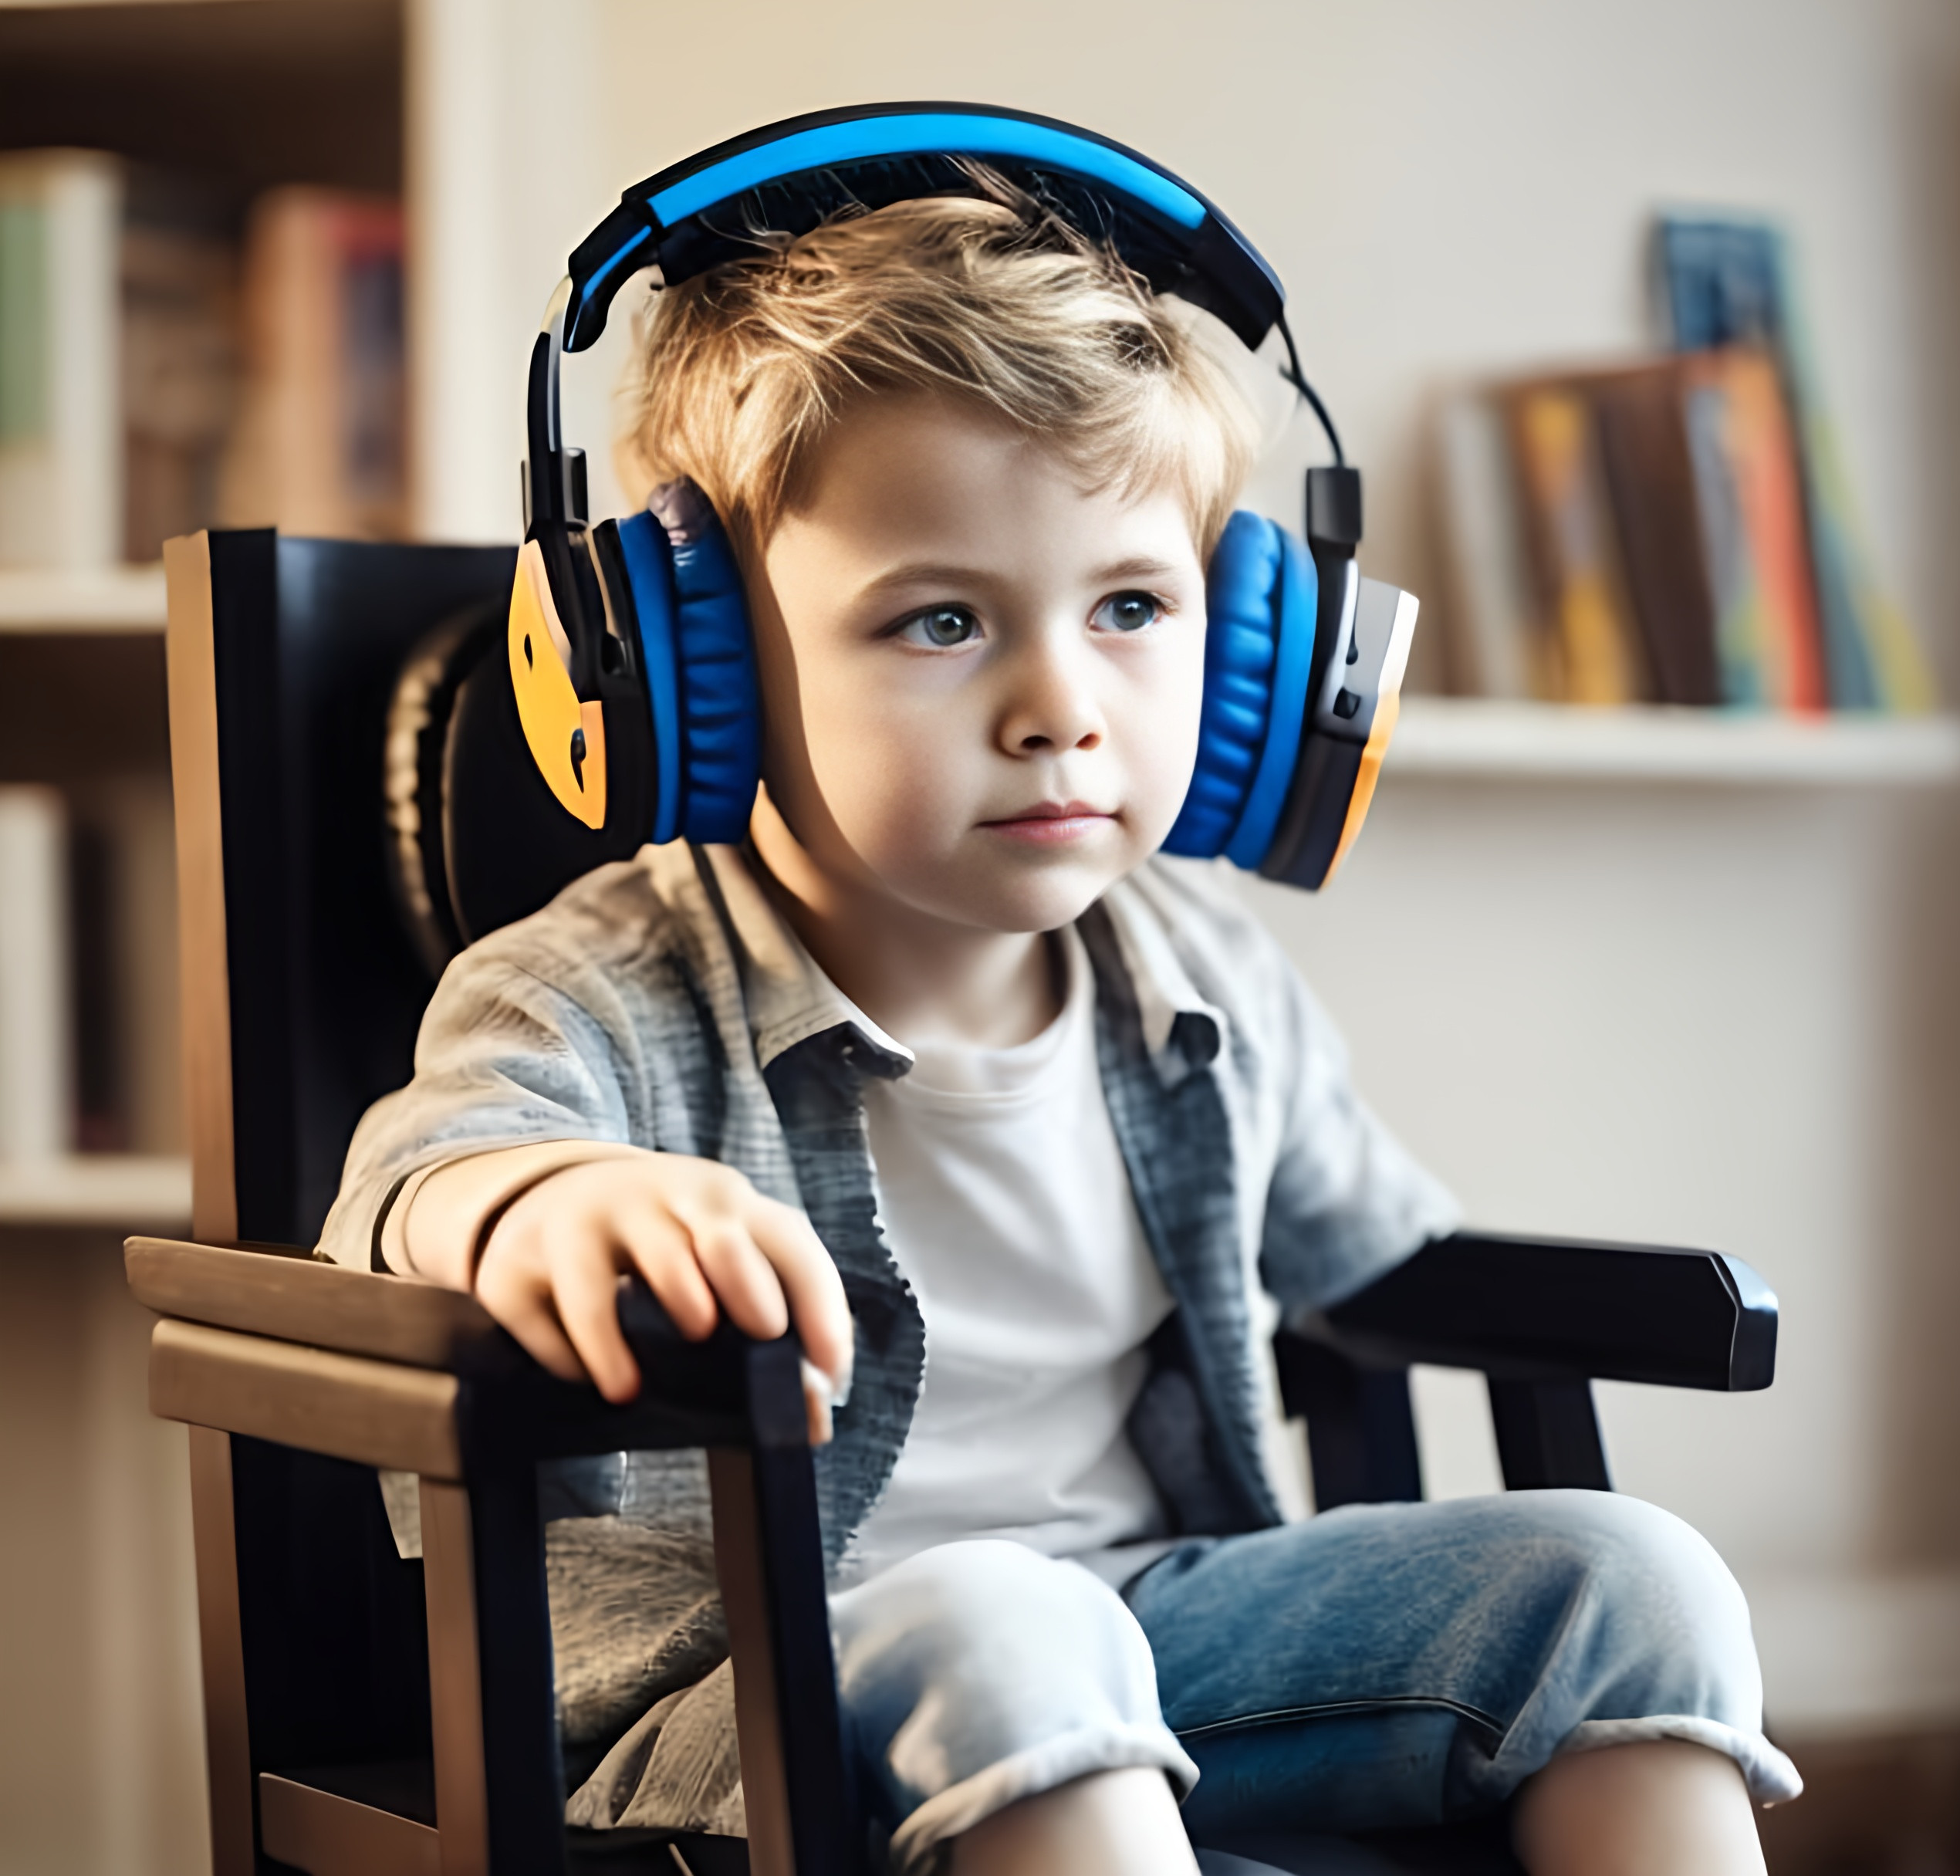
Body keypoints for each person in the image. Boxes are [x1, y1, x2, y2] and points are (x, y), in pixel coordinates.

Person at [320, 188, 1799, 1875]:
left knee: (1629, 1581)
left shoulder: (1198, 970)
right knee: (1006, 1626)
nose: (1059, 706)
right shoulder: (604, 985)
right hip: (759, 1674)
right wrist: (541, 1201)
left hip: (1156, 1626)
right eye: (940, 620)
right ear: (700, 667)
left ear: (1247, 651)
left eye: (1129, 609)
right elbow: (418, 1178)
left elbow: (1381, 1252)